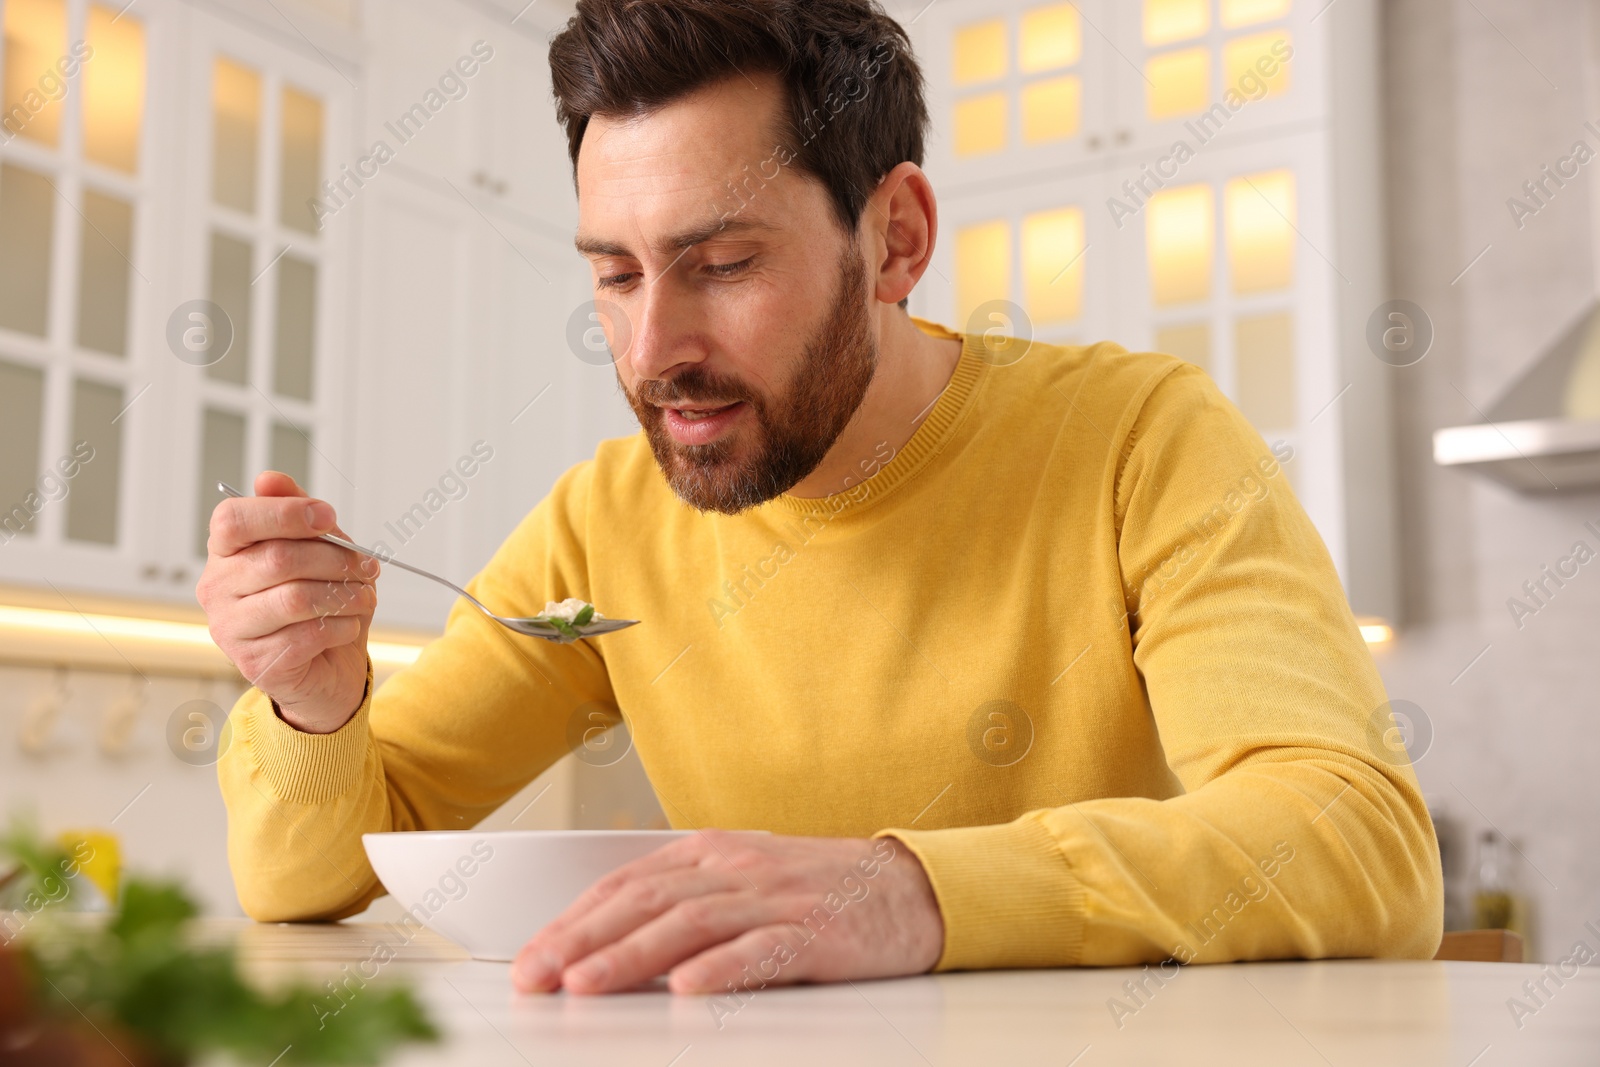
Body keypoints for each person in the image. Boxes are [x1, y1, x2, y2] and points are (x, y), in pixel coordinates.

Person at [198, 0, 1443, 997]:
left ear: (895, 237)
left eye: (723, 263)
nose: (649, 350)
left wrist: (911, 889)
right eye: (615, 274)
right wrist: (314, 704)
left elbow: (1353, 838)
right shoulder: (607, 519)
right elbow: (321, 868)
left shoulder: (1139, 438)